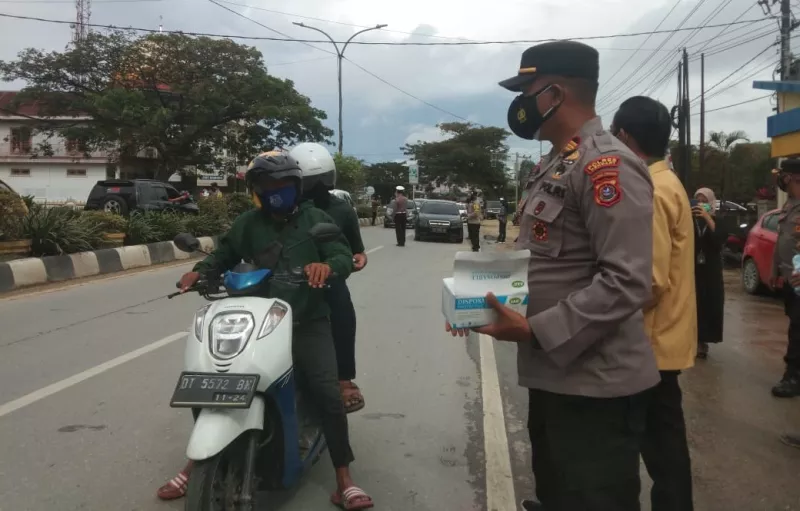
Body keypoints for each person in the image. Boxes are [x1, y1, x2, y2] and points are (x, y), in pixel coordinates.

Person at [449, 40, 659, 511]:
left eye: (527, 89)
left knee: (590, 498)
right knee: (557, 493)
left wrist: (535, 328)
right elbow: (545, 259)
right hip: (557, 376)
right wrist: (475, 298)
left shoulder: (607, 166)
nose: (521, 101)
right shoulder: (558, 162)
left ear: (555, 94)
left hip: (595, 387)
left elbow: (627, 280)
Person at [157, 151, 373, 510]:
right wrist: (200, 270)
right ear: (256, 190)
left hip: (305, 320)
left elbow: (340, 253)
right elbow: (223, 254)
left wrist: (326, 266)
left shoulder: (315, 219)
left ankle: (343, 479)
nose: (275, 191)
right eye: (266, 185)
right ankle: (196, 462)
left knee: (327, 393)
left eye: (282, 184)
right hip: (257, 322)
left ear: (295, 186)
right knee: (215, 380)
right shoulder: (247, 223)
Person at [612, 95, 696, 511]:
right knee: (660, 445)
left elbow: (649, 282)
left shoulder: (652, 191)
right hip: (663, 341)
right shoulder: (667, 182)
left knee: (651, 447)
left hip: (650, 344)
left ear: (625, 138)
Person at [289, 142, 368, 413]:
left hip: (328, 280)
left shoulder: (342, 209)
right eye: (312, 182)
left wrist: (355, 259)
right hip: (285, 281)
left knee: (343, 312)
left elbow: (357, 250)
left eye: (323, 180)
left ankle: (344, 377)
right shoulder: (282, 209)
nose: (318, 187)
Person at [770, 158, 800, 398]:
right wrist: (774, 270)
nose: (779, 180)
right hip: (791, 279)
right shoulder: (790, 205)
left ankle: (793, 377)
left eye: (782, 175)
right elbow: (782, 241)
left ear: (790, 177)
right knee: (795, 327)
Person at [693, 187, 725, 359]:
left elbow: (719, 239)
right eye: (698, 200)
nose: (701, 204)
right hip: (694, 267)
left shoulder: (718, 219)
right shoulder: (691, 219)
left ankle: (704, 340)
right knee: (694, 303)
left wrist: (707, 217)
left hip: (711, 269)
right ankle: (694, 340)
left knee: (709, 304)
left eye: (704, 201)